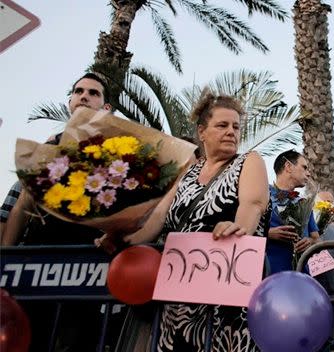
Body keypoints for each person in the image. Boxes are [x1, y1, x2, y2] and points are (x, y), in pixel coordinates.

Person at [109, 91, 270, 351]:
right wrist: (123, 238)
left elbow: (253, 205)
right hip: (177, 302)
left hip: (225, 300)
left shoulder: (249, 161)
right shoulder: (187, 172)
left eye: (236, 127)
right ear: (202, 131)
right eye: (222, 125)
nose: (232, 132)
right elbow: (159, 216)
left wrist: (239, 228)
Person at [1, 72, 118, 352]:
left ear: (106, 109)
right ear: (70, 102)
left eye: (93, 93)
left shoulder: (117, 154)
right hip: (35, 264)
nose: (84, 96)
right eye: (79, 91)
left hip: (85, 269)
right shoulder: (47, 148)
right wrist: (5, 259)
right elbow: (22, 206)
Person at [266, 150, 320, 274]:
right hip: (269, 276)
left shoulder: (304, 202)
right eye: (304, 167)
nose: (308, 174)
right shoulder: (261, 196)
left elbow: (317, 239)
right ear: (288, 166)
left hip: (301, 275)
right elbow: (244, 231)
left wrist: (310, 242)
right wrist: (268, 233)